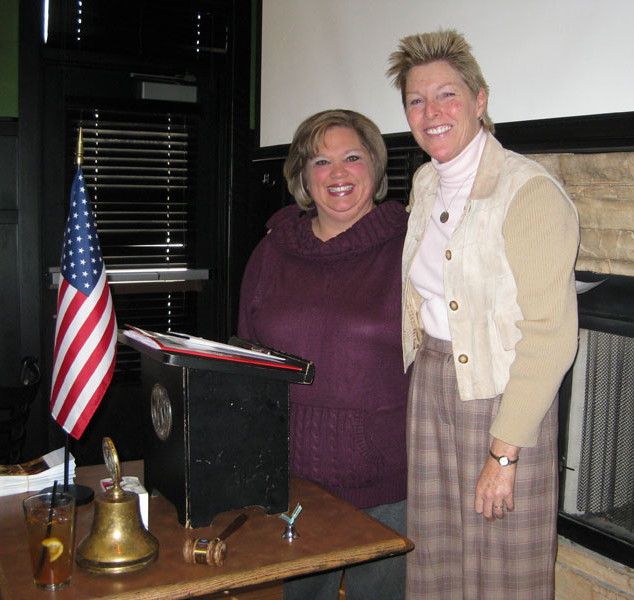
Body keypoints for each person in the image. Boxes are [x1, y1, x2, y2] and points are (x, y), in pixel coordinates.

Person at [387, 30, 580, 599]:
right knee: (436, 553)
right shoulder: (426, 182)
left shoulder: (529, 193)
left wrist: (504, 452)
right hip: (433, 383)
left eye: (446, 95)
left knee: (501, 565)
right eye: (416, 101)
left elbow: (549, 338)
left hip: (503, 396)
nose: (431, 112)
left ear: (480, 100)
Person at [237, 109, 410, 600]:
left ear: (375, 169)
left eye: (352, 157)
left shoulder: (411, 248)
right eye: (321, 162)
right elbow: (246, 360)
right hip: (292, 480)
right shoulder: (271, 252)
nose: (338, 174)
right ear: (303, 178)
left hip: (385, 484)